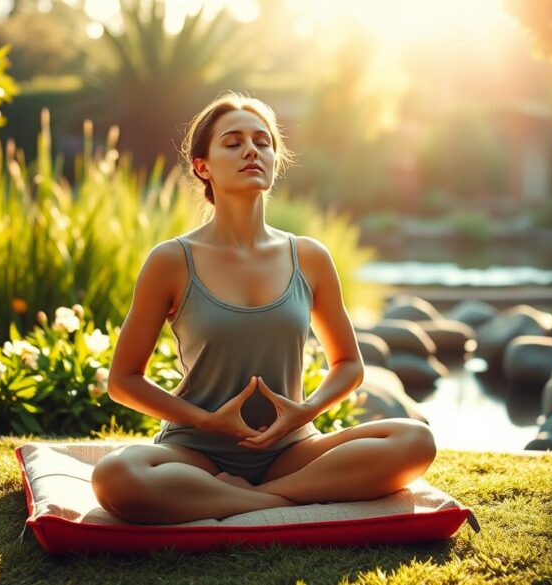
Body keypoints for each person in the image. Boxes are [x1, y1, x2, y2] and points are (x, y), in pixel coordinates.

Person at [91, 92, 437, 525]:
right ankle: (287, 502)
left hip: (291, 451)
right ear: (202, 166)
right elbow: (123, 380)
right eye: (233, 142)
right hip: (196, 451)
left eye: (263, 142)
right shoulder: (171, 260)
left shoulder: (309, 257)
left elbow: (349, 364)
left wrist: (306, 411)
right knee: (116, 476)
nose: (252, 150)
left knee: (415, 440)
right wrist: (208, 421)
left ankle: (252, 498)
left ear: (275, 160)